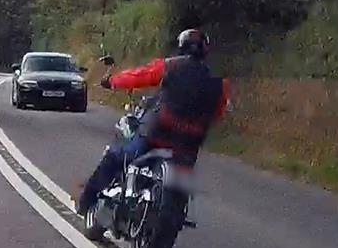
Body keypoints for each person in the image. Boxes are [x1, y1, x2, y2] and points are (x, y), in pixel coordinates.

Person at [76, 29, 230, 216]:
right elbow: (217, 113)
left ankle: (86, 200)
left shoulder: (170, 67)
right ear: (206, 52)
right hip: (190, 140)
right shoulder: (219, 83)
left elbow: (138, 76)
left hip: (160, 131)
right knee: (185, 175)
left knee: (118, 155)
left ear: (181, 46)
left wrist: (112, 81)